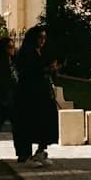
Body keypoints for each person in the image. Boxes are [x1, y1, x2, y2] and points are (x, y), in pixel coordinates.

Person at [13, 26, 59, 166]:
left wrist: (51, 69)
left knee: (47, 121)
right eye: (40, 37)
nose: (43, 41)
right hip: (30, 94)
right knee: (29, 123)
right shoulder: (27, 52)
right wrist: (46, 69)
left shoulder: (42, 52)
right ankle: (26, 156)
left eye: (44, 37)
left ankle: (41, 151)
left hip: (43, 92)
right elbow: (28, 72)